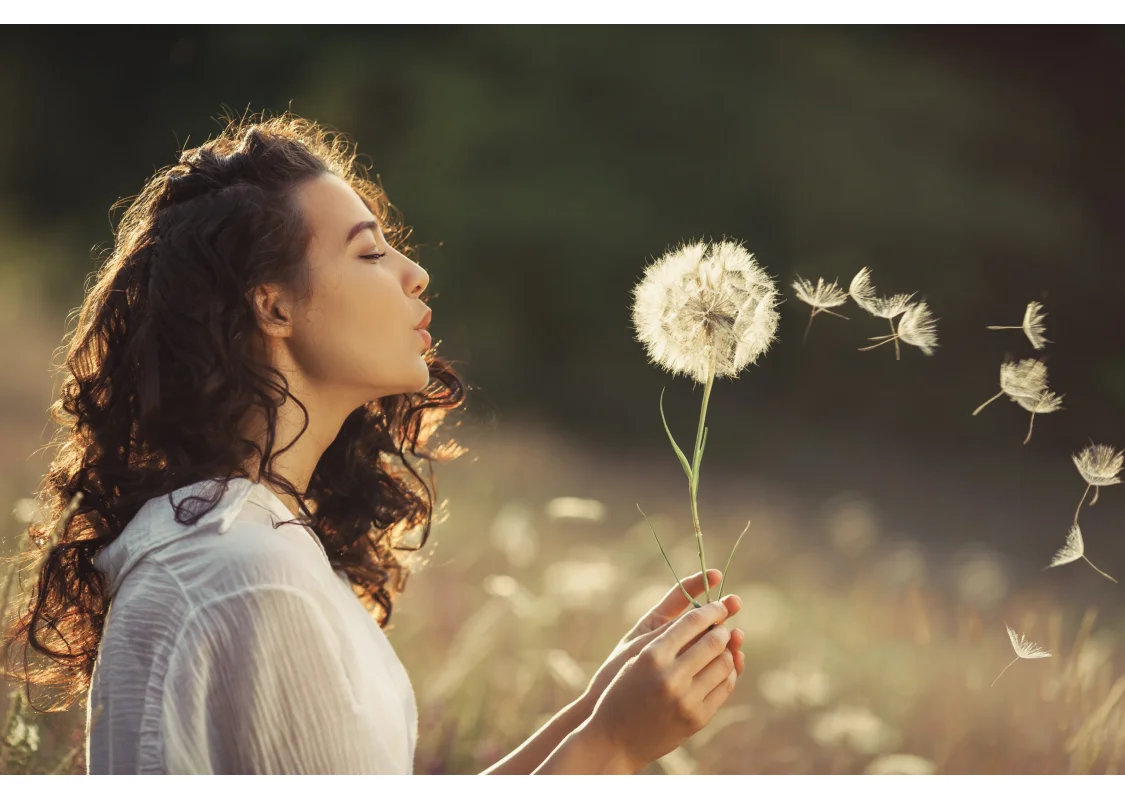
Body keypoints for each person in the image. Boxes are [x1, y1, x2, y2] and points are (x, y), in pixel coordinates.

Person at [0, 111, 745, 774]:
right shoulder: (252, 576)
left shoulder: (234, 539)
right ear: (274, 304)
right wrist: (611, 747)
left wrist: (590, 712)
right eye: (369, 253)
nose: (415, 273)